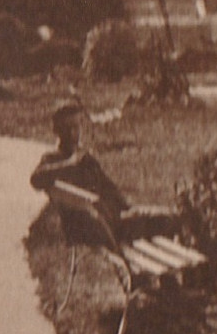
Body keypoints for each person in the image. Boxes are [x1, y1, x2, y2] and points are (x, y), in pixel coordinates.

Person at [31, 102, 174, 239]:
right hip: (103, 229)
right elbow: (36, 179)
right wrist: (70, 164)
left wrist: (127, 208)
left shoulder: (84, 158)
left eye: (76, 127)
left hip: (108, 221)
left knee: (167, 216)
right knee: (172, 219)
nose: (74, 132)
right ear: (57, 131)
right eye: (68, 128)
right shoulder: (54, 158)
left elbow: (107, 186)